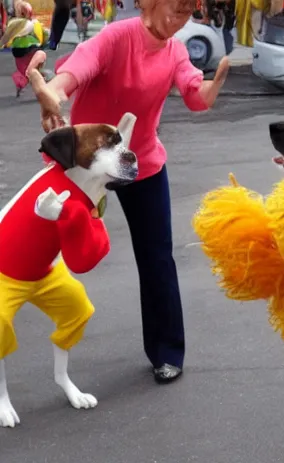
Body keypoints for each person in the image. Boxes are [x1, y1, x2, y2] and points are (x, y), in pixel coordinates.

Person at [25, 0, 230, 384]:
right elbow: (78, 68)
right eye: (174, 9)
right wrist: (52, 90)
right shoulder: (118, 36)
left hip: (140, 162)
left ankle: (167, 352)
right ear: (151, 3)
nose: (178, 20)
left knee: (157, 259)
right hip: (85, 162)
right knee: (36, 241)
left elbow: (193, 92)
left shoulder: (176, 52)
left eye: (187, 14)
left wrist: (209, 88)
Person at [1, 1, 49, 97]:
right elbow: (45, 34)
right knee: (34, 69)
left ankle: (22, 83)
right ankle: (41, 84)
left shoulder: (13, 23)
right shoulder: (34, 23)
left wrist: (2, 44)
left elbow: (7, 37)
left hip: (19, 51)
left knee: (23, 69)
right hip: (33, 48)